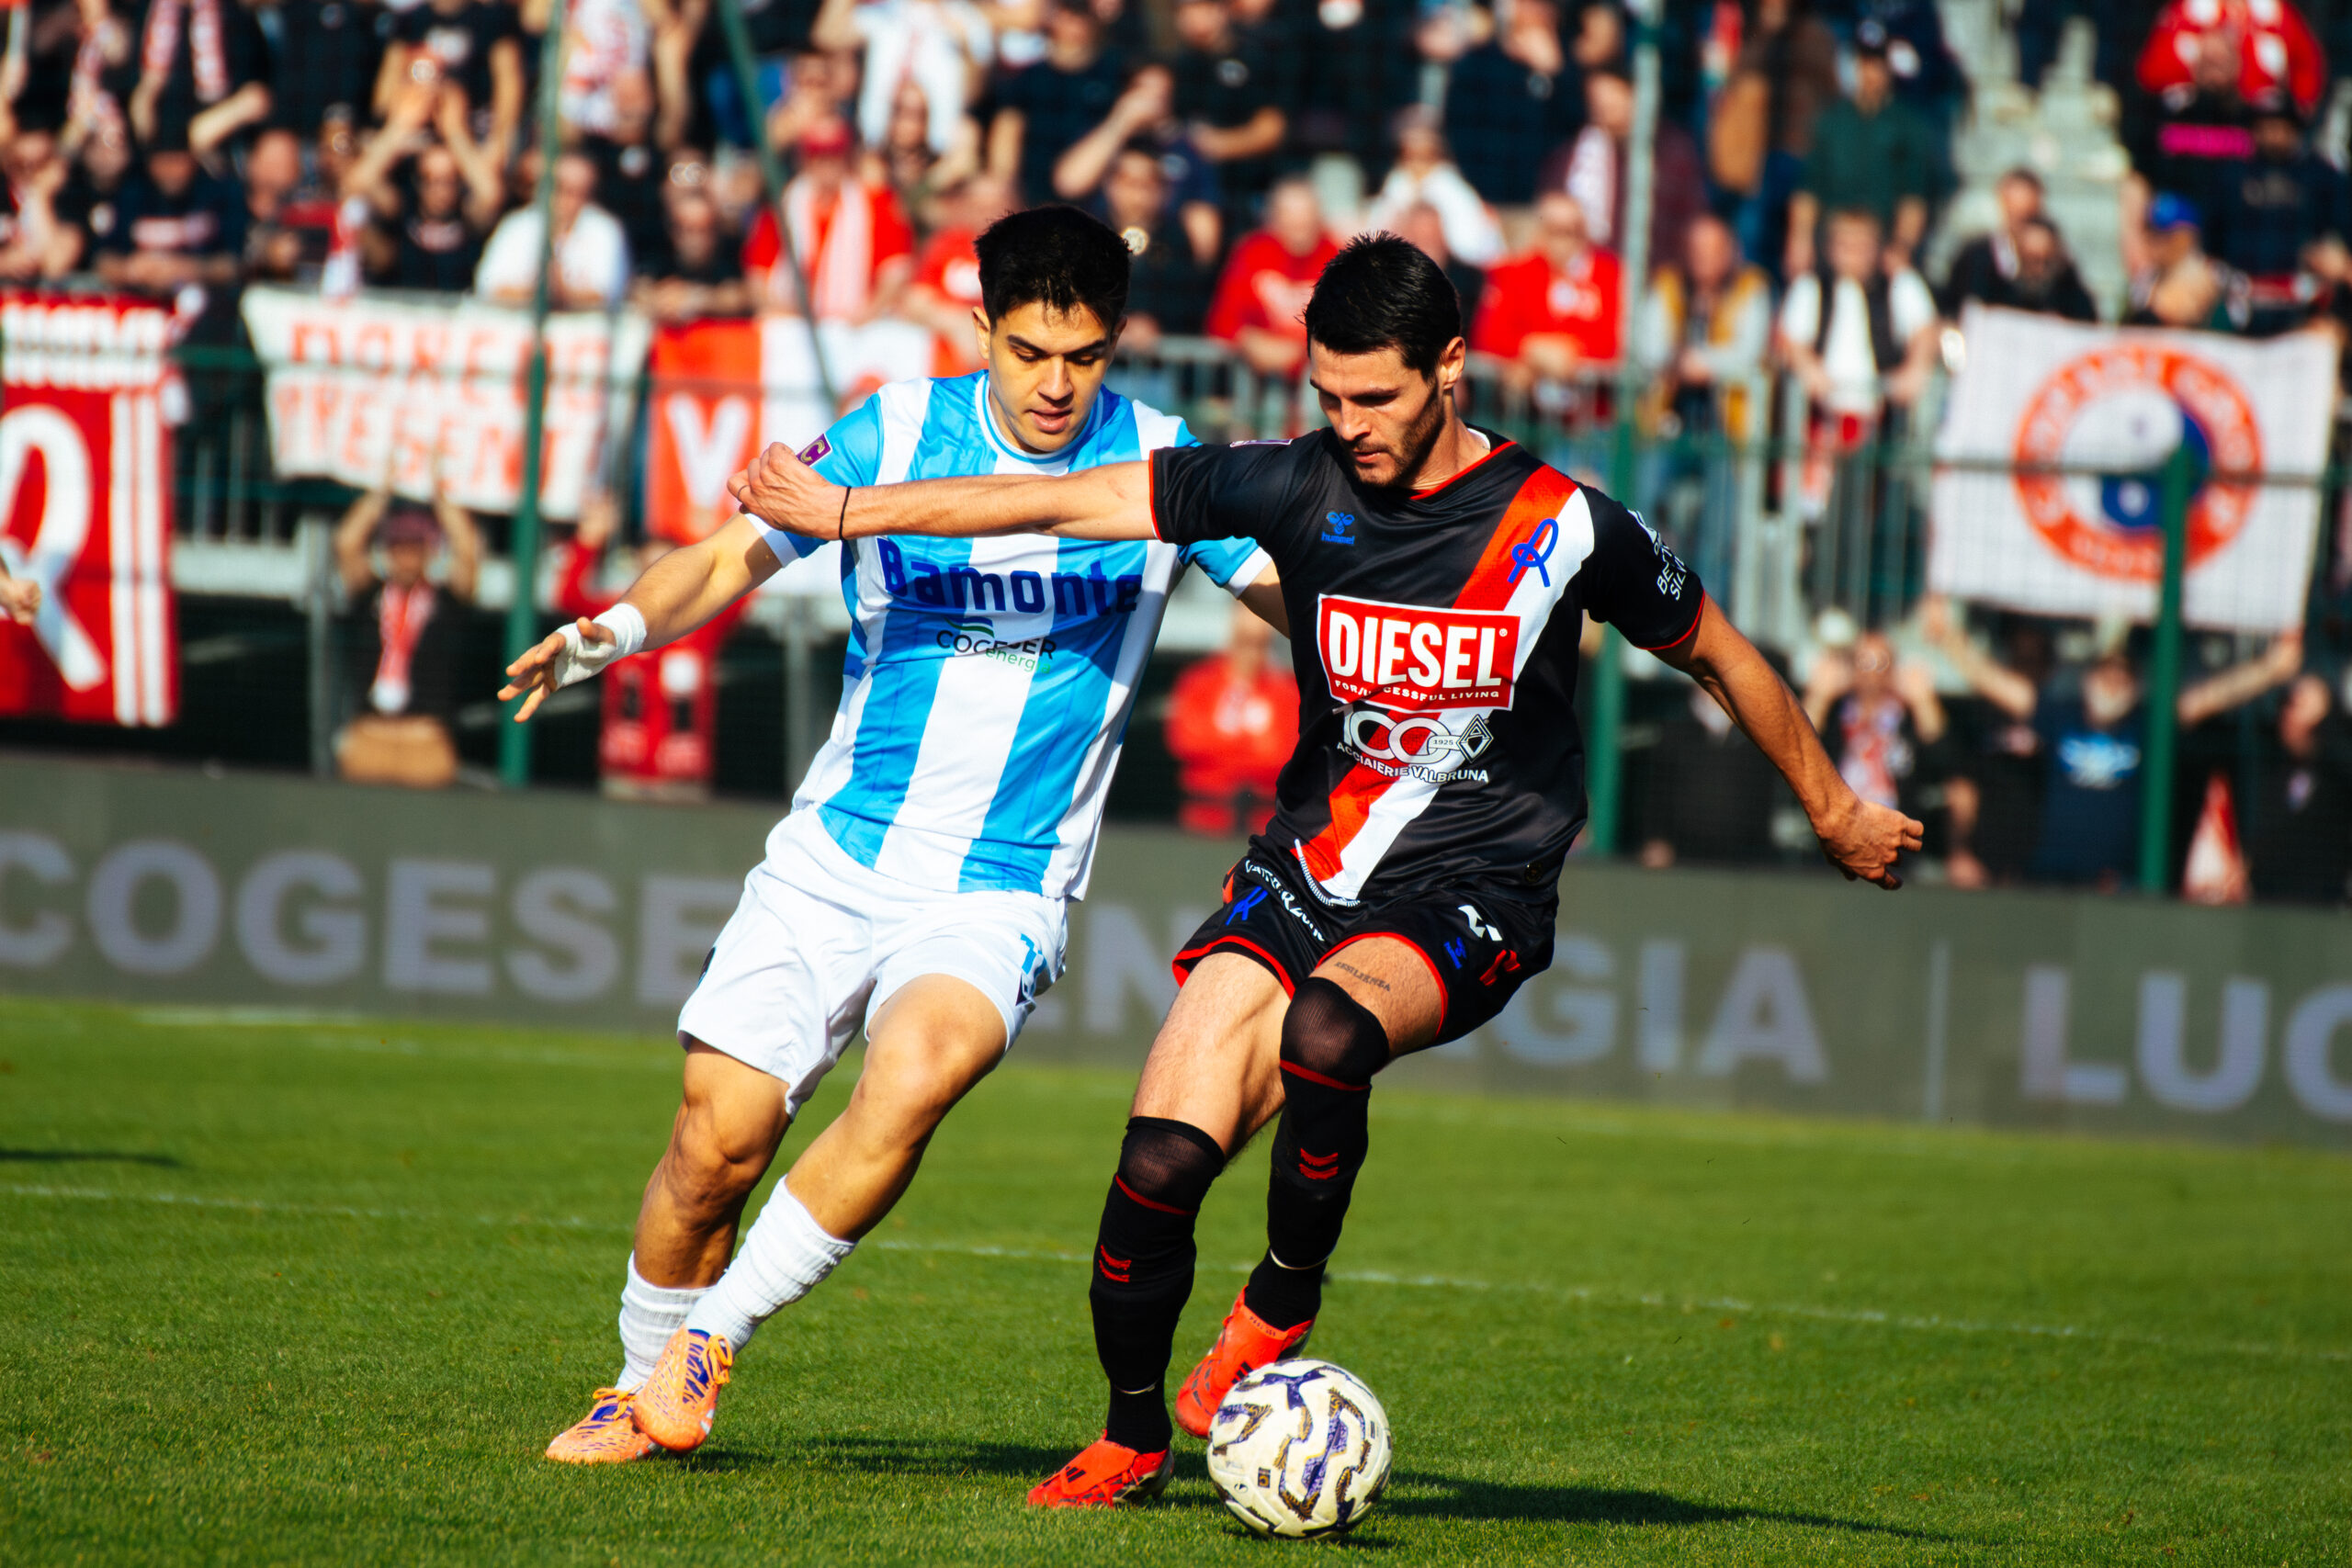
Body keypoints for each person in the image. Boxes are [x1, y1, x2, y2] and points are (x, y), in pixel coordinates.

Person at [721, 232, 1921, 1506]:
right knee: (1157, 1167)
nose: (1349, 424)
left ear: (1449, 366)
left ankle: (1282, 1293)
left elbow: (1721, 649)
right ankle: (1132, 1438)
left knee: (1331, 1030)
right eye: (1328, 396)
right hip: (1304, 874)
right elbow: (1057, 502)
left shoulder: (1565, 524)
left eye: (1375, 397)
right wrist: (846, 513)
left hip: (1478, 886)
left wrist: (1834, 806)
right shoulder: (1296, 483)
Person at [501, 206, 1283, 1467]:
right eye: (1029, 350)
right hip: (838, 856)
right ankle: (636, 1385)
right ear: (980, 328)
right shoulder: (893, 432)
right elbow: (723, 560)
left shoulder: (1161, 462)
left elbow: (1293, 596)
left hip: (1002, 886)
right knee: (714, 1145)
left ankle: (712, 1338)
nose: (1055, 382)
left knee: (915, 1074)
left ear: (1116, 343)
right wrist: (613, 631)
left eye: (1083, 355)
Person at [1925, 598, 2267, 889]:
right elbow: (1995, 682)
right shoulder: (2061, 717)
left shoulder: (2145, 725)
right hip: (2051, 876)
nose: (2113, 682)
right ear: (2088, 680)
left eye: (2123, 676)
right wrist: (1948, 638)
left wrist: (2274, 666)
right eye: (2105, 673)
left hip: (2117, 882)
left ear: (2135, 686)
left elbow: (2210, 698)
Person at [332, 488, 481, 791]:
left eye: (415, 549)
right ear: (388, 552)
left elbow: (468, 550)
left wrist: (441, 495)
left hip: (424, 738)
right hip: (371, 734)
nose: (407, 558)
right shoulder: (371, 596)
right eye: (399, 549)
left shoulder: (445, 602)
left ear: (429, 553)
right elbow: (347, 543)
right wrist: (381, 493)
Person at [1783, 21, 1940, 276]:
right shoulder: (1832, 121)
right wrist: (1800, 240)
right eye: (1865, 62)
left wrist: (1902, 246)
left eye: (1878, 63)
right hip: (1833, 245)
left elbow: (1914, 196)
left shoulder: (1908, 125)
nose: (1871, 72)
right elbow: (1808, 188)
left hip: (1881, 248)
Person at [742, 117, 914, 321]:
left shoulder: (876, 204)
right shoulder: (782, 207)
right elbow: (758, 277)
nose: (826, 162)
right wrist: (784, 313)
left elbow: (895, 271)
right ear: (804, 159)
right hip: (793, 324)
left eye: (834, 153)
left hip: (857, 326)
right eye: (817, 154)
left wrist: (870, 312)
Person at [1538, 62, 1702, 271]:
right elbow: (1551, 205)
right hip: (1592, 273)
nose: (1605, 107)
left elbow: (1689, 217)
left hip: (1657, 270)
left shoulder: (1672, 150)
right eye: (1596, 100)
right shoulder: (1575, 156)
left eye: (1613, 98)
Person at [1164, 604, 1298, 835]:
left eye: (1258, 645)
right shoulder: (1198, 682)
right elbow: (1184, 741)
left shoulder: (1287, 691)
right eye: (1244, 642)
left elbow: (1286, 754)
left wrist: (1225, 748)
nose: (1250, 653)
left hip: (1264, 823)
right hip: (1203, 817)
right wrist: (1252, 746)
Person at [1470, 189, 1623, 382]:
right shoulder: (1516, 272)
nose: (1563, 241)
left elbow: (1616, 342)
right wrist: (1531, 349)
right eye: (1554, 230)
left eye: (1571, 231)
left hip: (1592, 395)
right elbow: (1487, 337)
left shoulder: (1608, 273)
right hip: (1530, 398)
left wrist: (1570, 351)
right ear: (1540, 232)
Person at [1442, 0, 1583, 209]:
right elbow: (1459, 133)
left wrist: (1556, 73)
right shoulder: (1478, 62)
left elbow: (1574, 128)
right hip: (1483, 201)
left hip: (1541, 202)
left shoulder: (1567, 65)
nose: (1538, 12)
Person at [988, 0, 1126, 205]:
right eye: (1068, 15)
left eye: (1082, 16)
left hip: (1094, 197)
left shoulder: (1115, 72)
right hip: (1034, 194)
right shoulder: (1028, 77)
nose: (1075, 24)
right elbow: (1008, 131)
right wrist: (1005, 187)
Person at [1204, 175, 1338, 377]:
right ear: (1273, 217)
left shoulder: (1335, 256)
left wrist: (1301, 350)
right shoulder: (1252, 253)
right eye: (1289, 214)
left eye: (1306, 214)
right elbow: (1222, 319)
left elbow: (1347, 328)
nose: (1299, 223)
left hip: (1315, 380)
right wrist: (1247, 340)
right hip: (1253, 378)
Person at [475, 147, 631, 309]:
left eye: (582, 192)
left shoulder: (605, 229)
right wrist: (540, 293)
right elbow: (489, 287)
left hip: (583, 324)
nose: (570, 200)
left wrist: (558, 293)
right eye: (564, 189)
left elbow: (605, 293)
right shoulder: (517, 225)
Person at [1942, 168, 2099, 321]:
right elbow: (1955, 309)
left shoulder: (2057, 262)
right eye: (2015, 215)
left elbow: (2084, 316)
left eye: (2027, 217)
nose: (2020, 227)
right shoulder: (1976, 257)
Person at [1363, 105, 1503, 271]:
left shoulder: (1451, 186)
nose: (1417, 163)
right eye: (1409, 154)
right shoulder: (1398, 182)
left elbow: (1473, 247)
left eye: (1425, 154)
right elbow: (1374, 235)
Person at [631, 186, 754, 321]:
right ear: (674, 233)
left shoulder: (730, 254)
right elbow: (638, 293)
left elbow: (744, 296)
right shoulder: (659, 255)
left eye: (703, 230)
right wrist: (660, 300)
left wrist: (694, 298)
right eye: (688, 230)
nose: (696, 240)